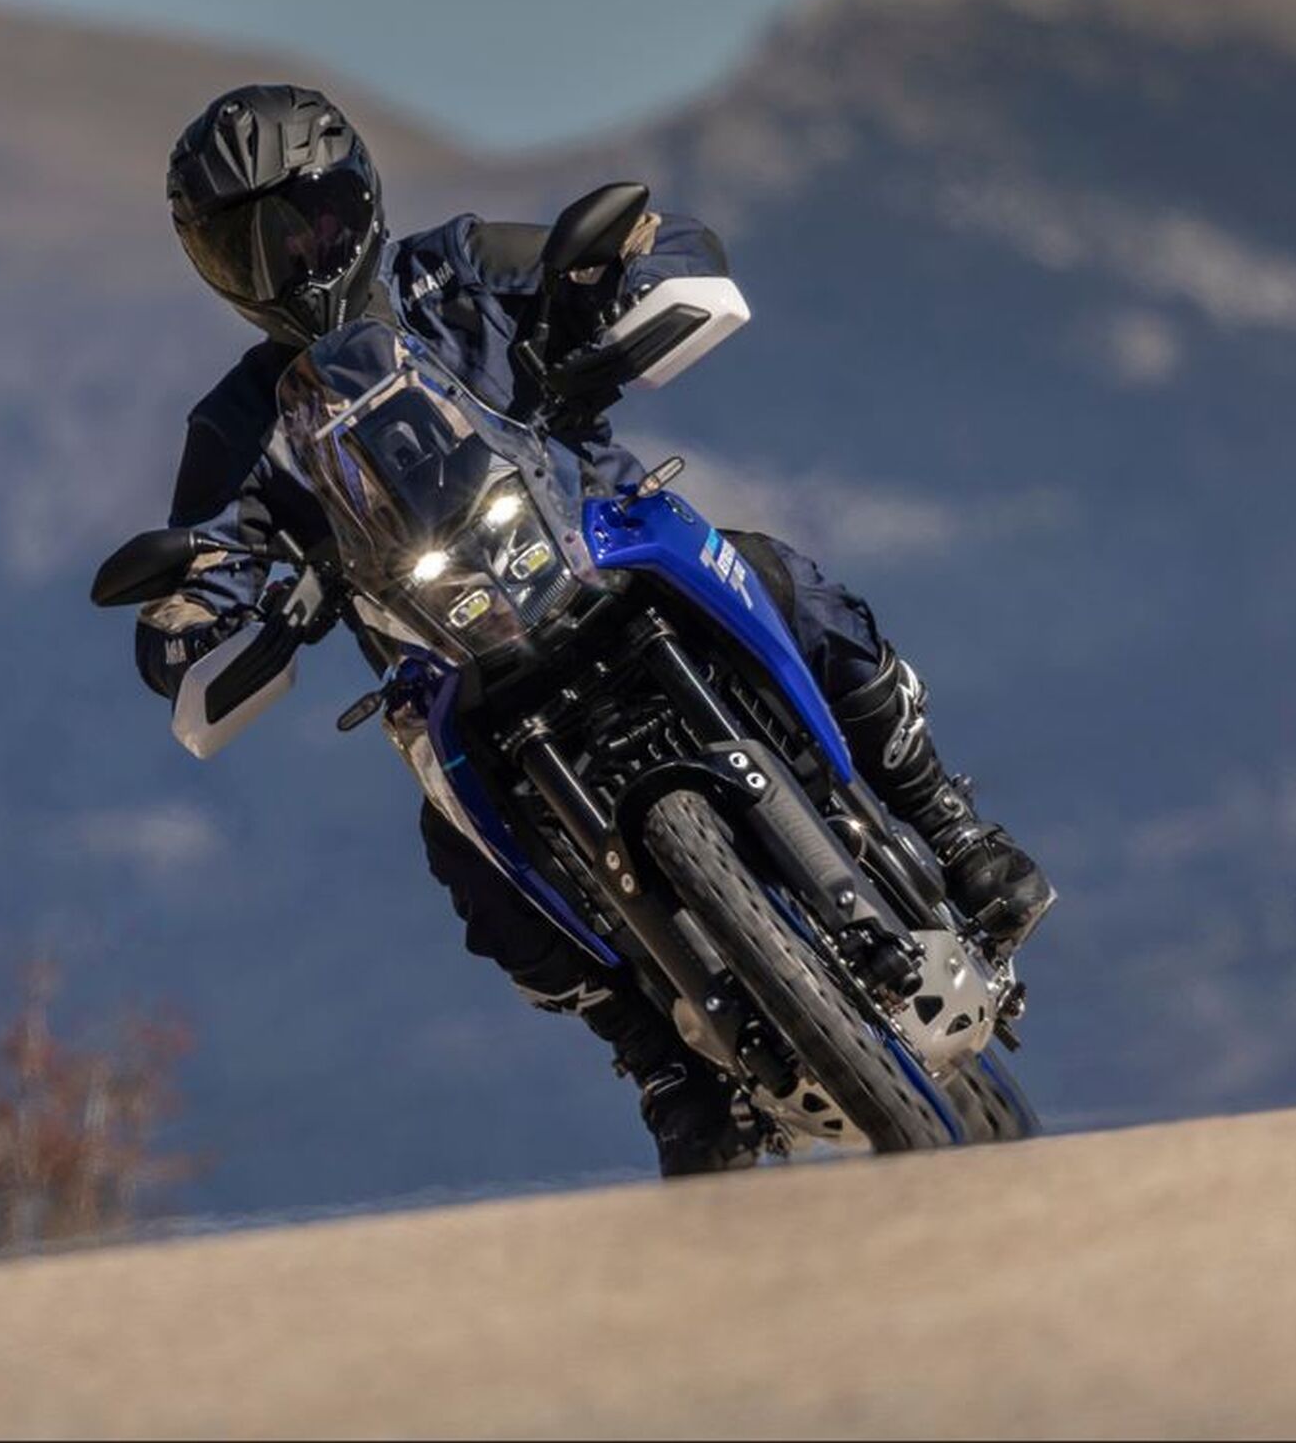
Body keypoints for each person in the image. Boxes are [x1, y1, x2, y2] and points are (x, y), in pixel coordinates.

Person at [134, 84, 1054, 1175]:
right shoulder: (237, 426)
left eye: (309, 218)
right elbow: (198, 564)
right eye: (248, 247)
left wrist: (607, 299)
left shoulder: (456, 270)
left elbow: (650, 248)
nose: (291, 258)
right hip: (450, 657)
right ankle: (660, 1065)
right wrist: (196, 617)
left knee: (779, 577)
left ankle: (951, 828)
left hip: (600, 548)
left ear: (359, 197)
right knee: (459, 848)